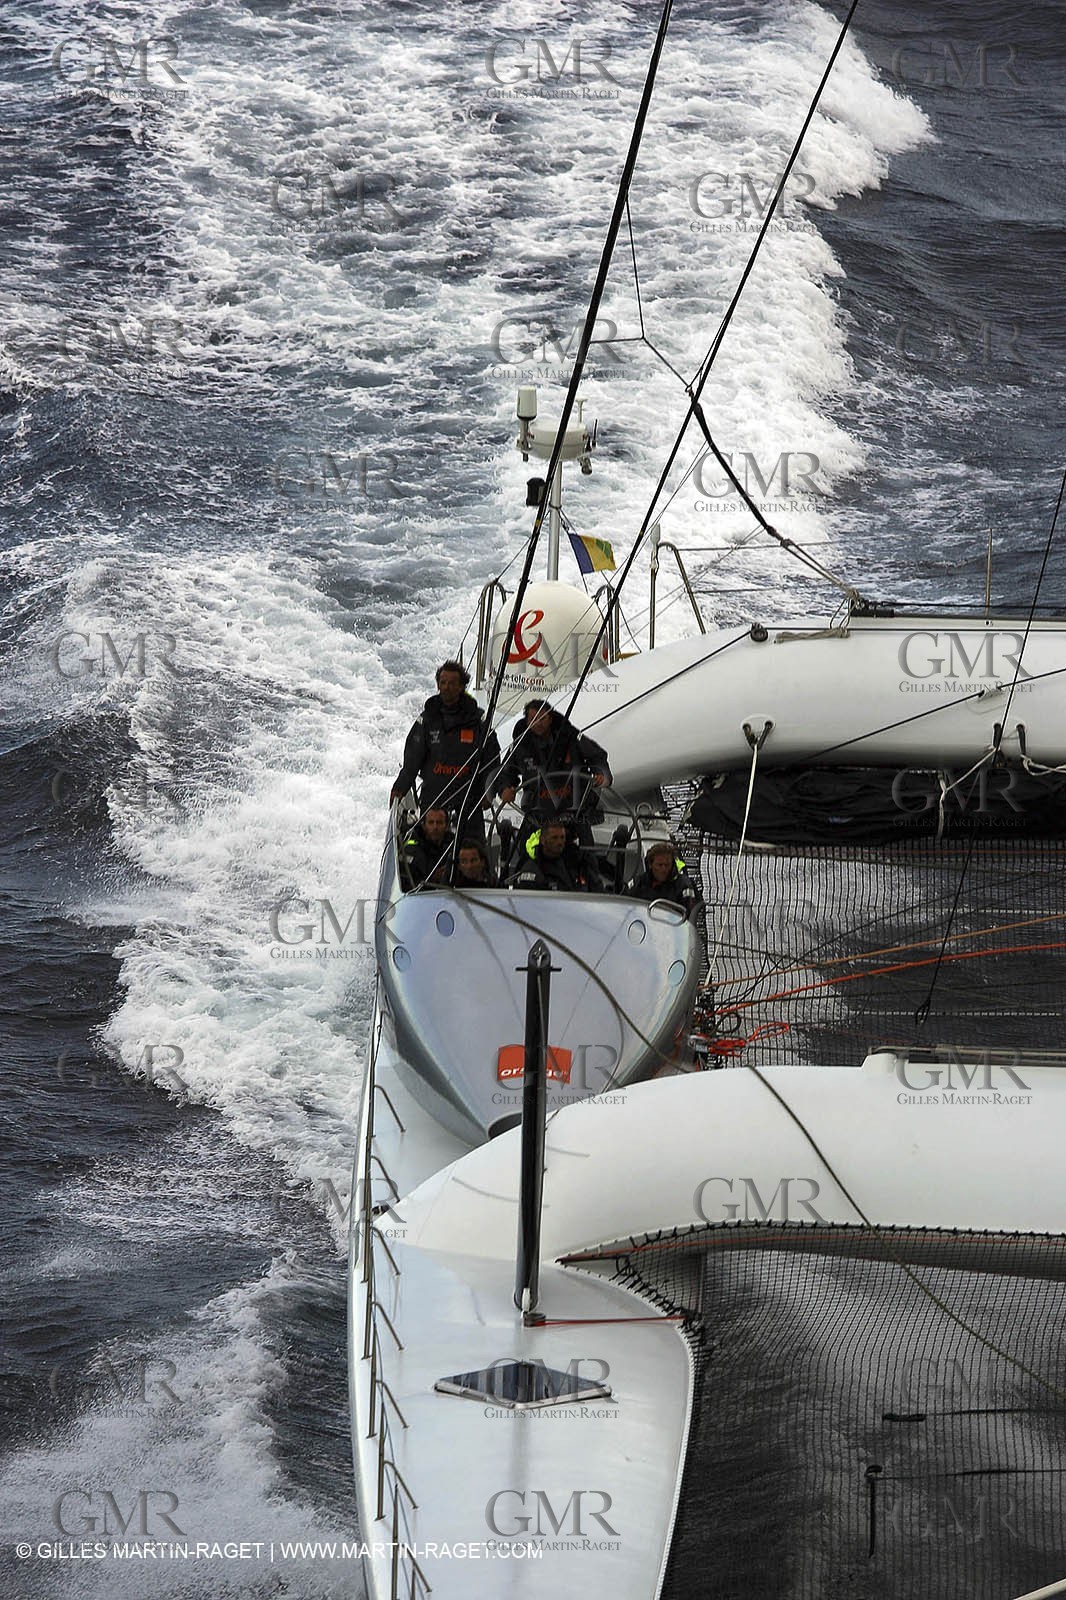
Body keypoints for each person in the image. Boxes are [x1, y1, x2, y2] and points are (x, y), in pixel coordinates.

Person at [391, 661, 500, 836]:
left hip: (468, 802)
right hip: (433, 800)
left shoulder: (478, 721)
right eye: (443, 682)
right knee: (430, 853)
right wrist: (399, 788)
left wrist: (489, 791)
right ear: (438, 685)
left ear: (461, 687)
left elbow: (492, 760)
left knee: (471, 855)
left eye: (452, 683)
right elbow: (412, 759)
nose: (446, 687)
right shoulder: (426, 719)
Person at [496, 700, 611, 835]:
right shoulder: (521, 745)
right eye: (533, 719)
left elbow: (597, 756)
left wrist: (602, 775)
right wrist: (505, 788)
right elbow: (506, 772)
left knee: (583, 850)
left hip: (574, 811)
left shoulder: (571, 737)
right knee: (527, 850)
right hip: (537, 814)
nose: (538, 723)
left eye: (542, 718)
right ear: (526, 721)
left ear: (550, 719)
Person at [509, 819, 604, 893]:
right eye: (554, 838)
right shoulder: (532, 870)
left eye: (562, 837)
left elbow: (598, 892)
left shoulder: (579, 863)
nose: (559, 842)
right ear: (543, 840)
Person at [624, 842, 704, 923]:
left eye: (667, 865)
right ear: (650, 865)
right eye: (660, 865)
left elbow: (690, 917)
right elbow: (624, 906)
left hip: (672, 929)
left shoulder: (684, 885)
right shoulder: (638, 882)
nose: (663, 869)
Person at [401, 807, 454, 888]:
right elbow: (405, 885)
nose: (435, 827)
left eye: (439, 823)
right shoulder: (411, 849)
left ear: (447, 826)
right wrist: (433, 878)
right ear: (424, 826)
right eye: (431, 822)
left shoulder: (454, 845)